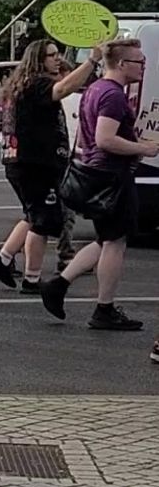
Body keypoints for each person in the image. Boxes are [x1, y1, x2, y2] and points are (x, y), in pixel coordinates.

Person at [41, 36, 159, 330]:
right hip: (111, 176)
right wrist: (143, 148)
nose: (144, 67)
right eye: (139, 62)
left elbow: (92, 137)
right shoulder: (113, 95)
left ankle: (59, 284)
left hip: (96, 173)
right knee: (116, 242)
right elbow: (106, 140)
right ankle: (103, 309)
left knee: (106, 238)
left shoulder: (95, 89)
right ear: (122, 64)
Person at [0, 38, 101, 295]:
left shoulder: (23, 84)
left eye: (57, 53)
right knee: (44, 220)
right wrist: (92, 61)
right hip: (34, 164)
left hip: (25, 162)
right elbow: (63, 89)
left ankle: (3, 258)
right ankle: (31, 278)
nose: (57, 58)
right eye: (51, 55)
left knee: (33, 214)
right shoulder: (37, 84)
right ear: (38, 60)